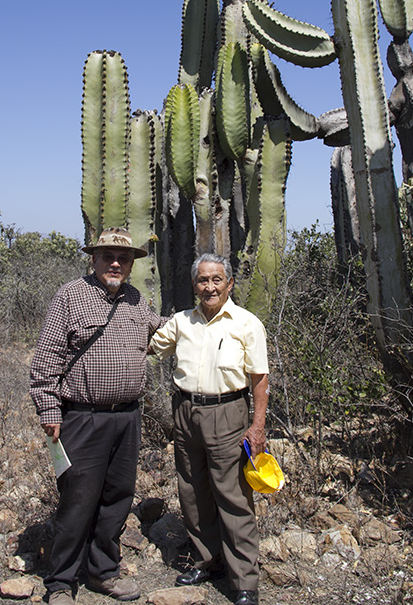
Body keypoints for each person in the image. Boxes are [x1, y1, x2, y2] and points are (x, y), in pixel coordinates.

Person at [30, 227, 164, 605]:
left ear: (132, 264)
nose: (116, 263)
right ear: (94, 258)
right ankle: (60, 583)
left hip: (127, 418)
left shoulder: (137, 300)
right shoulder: (71, 295)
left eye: (123, 258)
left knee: (117, 497)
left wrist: (208, 319)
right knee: (78, 499)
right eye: (108, 256)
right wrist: (49, 409)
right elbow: (46, 360)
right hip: (82, 417)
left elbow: (164, 329)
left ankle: (103, 572)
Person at [148, 253, 269, 605]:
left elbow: (259, 381)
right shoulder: (181, 322)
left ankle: (245, 580)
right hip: (185, 411)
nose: (210, 286)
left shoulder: (246, 323)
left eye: (217, 279)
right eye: (203, 280)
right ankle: (207, 560)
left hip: (228, 413)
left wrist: (256, 427)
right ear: (194, 284)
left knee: (233, 497)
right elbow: (150, 347)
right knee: (193, 490)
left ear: (229, 283)